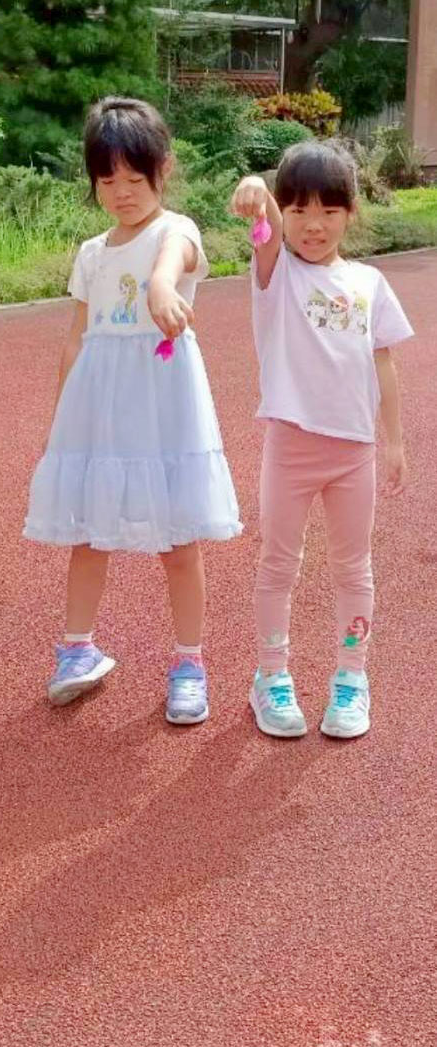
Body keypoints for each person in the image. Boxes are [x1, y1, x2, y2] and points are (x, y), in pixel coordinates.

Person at [24, 97, 242, 722]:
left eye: (134, 178)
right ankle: (77, 649)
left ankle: (189, 662)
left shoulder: (176, 231)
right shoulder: (92, 253)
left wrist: (161, 286)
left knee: (179, 541)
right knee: (89, 533)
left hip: (164, 408)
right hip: (100, 408)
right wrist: (63, 418)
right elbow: (77, 338)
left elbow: (173, 262)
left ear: (163, 170)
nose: (121, 192)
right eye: (106, 179)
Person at [231, 141, 413, 739]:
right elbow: (262, 225)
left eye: (329, 211)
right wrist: (257, 192)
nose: (314, 224)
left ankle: (352, 679)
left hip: (354, 452)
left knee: (353, 567)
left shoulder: (369, 282)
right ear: (284, 214)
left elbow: (383, 363)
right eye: (299, 210)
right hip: (291, 448)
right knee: (278, 563)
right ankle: (271, 675)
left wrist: (393, 441)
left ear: (350, 213)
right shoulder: (277, 274)